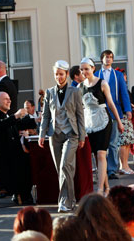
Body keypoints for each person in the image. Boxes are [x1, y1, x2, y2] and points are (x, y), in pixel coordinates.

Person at [38, 60, 85, 213]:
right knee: (63, 169)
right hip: (54, 135)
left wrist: (82, 136)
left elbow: (80, 115)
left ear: (66, 74)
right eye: (56, 74)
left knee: (65, 165)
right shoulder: (49, 92)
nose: (58, 77)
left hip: (71, 134)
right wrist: (41, 134)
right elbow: (45, 116)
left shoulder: (75, 92)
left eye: (61, 74)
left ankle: (64, 201)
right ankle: (71, 200)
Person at [79, 57, 124, 195]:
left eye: (86, 68)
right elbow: (79, 108)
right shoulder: (79, 87)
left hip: (104, 120)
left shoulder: (102, 83)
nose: (84, 71)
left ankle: (99, 189)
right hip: (89, 122)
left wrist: (119, 121)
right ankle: (106, 186)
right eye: (82, 69)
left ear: (93, 68)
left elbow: (111, 103)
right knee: (95, 155)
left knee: (101, 154)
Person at [0, 92, 37, 204]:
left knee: (30, 161)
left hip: (14, 155)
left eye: (9, 98)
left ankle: (24, 195)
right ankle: (21, 195)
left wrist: (36, 120)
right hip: (2, 159)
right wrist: (16, 116)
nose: (9, 101)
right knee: (21, 165)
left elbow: (19, 124)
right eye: (5, 99)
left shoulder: (6, 115)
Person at [94, 50, 132, 179]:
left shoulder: (118, 75)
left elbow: (124, 93)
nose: (108, 59)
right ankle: (102, 168)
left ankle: (111, 170)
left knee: (113, 142)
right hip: (100, 113)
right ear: (102, 59)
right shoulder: (96, 74)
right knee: (101, 142)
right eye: (106, 57)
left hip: (115, 112)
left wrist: (128, 110)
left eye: (110, 57)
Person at [115, 68, 134, 174]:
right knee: (123, 143)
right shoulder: (117, 88)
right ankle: (122, 166)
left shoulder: (124, 88)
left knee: (128, 143)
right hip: (121, 116)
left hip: (127, 117)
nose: (125, 78)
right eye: (124, 76)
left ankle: (126, 165)